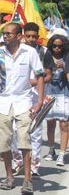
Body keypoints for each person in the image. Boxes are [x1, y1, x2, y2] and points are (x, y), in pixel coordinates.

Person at [0, 23, 44, 194]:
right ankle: (9, 176)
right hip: (2, 103)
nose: (6, 36)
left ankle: (27, 178)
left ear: (19, 36)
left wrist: (39, 101)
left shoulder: (30, 52)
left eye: (9, 33)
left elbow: (39, 75)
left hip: (23, 102)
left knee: (24, 139)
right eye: (4, 33)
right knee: (4, 141)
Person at [12, 22, 54, 175]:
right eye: (28, 36)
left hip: (36, 95)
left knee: (35, 132)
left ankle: (35, 165)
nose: (30, 39)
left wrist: (35, 81)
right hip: (19, 96)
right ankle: (18, 162)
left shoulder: (44, 52)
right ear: (23, 36)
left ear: (38, 37)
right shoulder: (17, 50)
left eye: (33, 37)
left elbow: (48, 75)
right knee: (16, 130)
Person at [45, 34, 69, 166]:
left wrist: (64, 68)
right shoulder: (47, 55)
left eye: (60, 46)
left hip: (63, 90)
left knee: (64, 124)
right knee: (50, 122)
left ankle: (62, 154)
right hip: (49, 90)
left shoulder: (67, 57)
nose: (57, 48)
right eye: (55, 46)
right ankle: (51, 149)